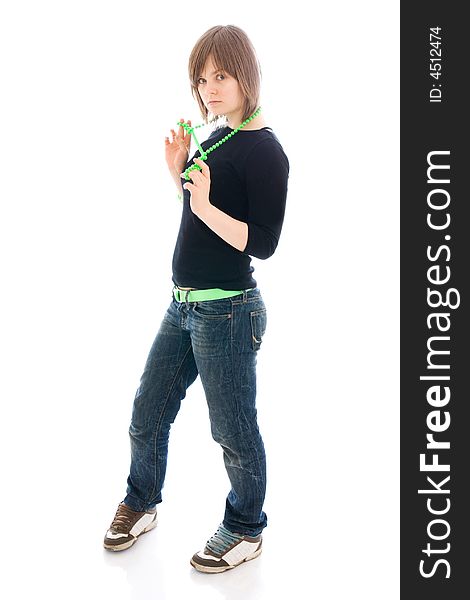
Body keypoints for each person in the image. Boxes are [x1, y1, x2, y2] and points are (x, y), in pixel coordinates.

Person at [103, 24, 290, 574]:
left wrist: (203, 202)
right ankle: (141, 502)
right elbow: (201, 212)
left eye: (222, 76)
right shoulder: (219, 136)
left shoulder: (266, 151)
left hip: (228, 310)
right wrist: (179, 172)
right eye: (203, 78)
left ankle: (245, 528)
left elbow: (263, 242)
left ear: (246, 77)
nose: (210, 88)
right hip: (183, 305)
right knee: (147, 411)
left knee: (232, 430)